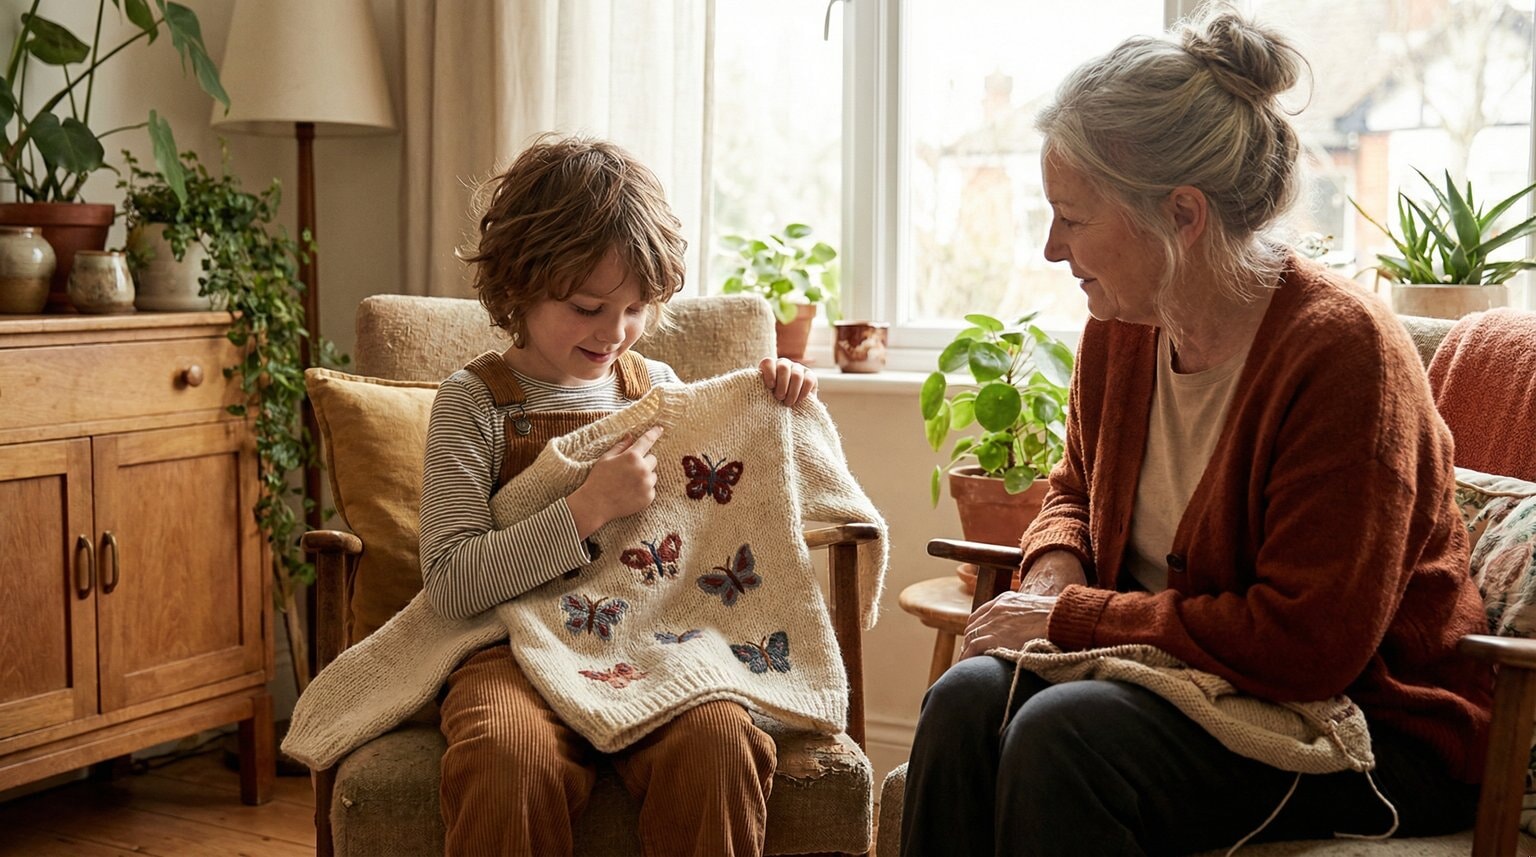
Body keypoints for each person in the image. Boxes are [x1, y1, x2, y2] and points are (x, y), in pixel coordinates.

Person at [900, 7, 1494, 856]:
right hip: (1174, 681)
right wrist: (1052, 575)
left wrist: (1071, 616)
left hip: (1362, 726)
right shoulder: (1122, 323)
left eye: (1072, 216)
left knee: (1065, 735)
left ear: (1181, 215)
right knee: (964, 704)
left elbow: (1306, 644)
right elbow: (1074, 488)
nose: (1049, 248)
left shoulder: (1343, 355)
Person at [419, 134, 816, 856]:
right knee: (507, 757)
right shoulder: (472, 404)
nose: (615, 331)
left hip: (649, 638)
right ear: (517, 285)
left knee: (722, 743)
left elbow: (729, 512)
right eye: (587, 306)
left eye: (636, 308)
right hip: (510, 646)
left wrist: (775, 409)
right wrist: (585, 507)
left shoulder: (660, 391)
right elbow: (450, 584)